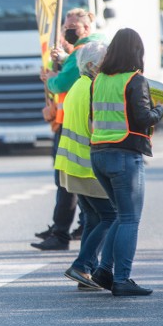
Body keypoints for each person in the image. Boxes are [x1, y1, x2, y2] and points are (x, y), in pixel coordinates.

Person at [89, 28, 163, 296]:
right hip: (124, 156)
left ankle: (103, 270)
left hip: (98, 153)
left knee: (120, 216)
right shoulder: (135, 80)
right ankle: (122, 279)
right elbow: (144, 118)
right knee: (130, 219)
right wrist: (162, 108)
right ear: (137, 52)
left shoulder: (97, 79)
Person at [34, 8, 105, 250]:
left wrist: (50, 78)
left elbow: (64, 82)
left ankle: (62, 231)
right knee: (81, 180)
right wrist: (63, 61)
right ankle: (77, 227)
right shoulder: (90, 49)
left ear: (86, 28)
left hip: (70, 126)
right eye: (65, 28)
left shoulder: (82, 51)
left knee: (66, 181)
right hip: (77, 123)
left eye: (70, 28)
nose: (66, 32)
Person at [54, 41, 117, 291]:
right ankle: (81, 265)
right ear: (92, 65)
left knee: (92, 218)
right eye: (106, 60)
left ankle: (86, 271)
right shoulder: (94, 88)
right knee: (111, 217)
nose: (109, 64)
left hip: (73, 165)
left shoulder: (78, 86)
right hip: (88, 167)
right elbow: (95, 129)